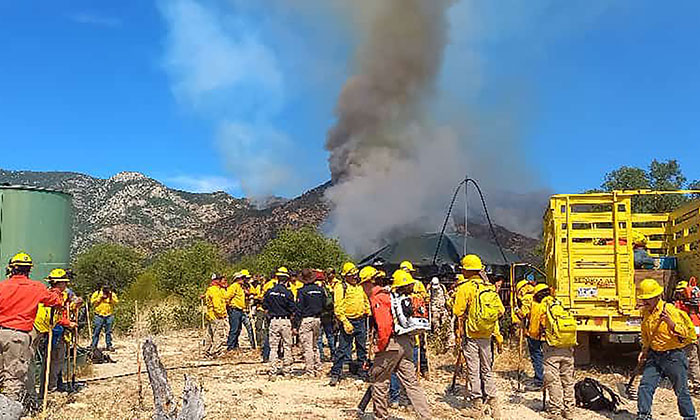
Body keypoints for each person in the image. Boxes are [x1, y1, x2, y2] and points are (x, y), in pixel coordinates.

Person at [363, 267, 431, 420]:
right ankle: (425, 416)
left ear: (369, 283)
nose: (362, 288)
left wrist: (379, 347)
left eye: (363, 284)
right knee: (411, 383)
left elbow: (384, 326)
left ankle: (381, 416)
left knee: (380, 380)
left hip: (391, 344)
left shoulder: (378, 298)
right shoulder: (392, 295)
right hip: (406, 342)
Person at [0, 252, 63, 402]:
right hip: (18, 336)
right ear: (29, 270)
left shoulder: (2, 286)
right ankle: (9, 412)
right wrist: (55, 290)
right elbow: (56, 301)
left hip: (1, 331)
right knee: (14, 378)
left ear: (11, 269)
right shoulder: (36, 287)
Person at [453, 254, 505, 419]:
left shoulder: (466, 287)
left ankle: (477, 405)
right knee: (487, 369)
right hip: (487, 333)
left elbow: (457, 311)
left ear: (467, 270)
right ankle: (493, 402)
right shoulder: (488, 287)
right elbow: (501, 311)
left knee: (473, 369)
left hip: (472, 333)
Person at [636, 278, 697, 420]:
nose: (645, 302)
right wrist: (644, 351)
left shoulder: (669, 310)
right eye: (644, 299)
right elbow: (646, 334)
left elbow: (685, 333)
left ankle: (690, 417)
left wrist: (670, 323)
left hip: (673, 357)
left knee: (681, 391)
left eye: (648, 299)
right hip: (654, 355)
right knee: (645, 386)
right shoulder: (645, 313)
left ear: (657, 297)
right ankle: (643, 415)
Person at [32, 269, 79, 395]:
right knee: (51, 360)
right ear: (60, 283)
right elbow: (51, 316)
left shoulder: (63, 295)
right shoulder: (50, 296)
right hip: (45, 329)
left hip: (51, 328)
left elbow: (63, 310)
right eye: (64, 282)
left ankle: (50, 388)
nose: (66, 285)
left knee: (53, 360)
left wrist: (74, 306)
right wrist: (68, 323)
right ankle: (47, 389)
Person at [535, 284, 576, 420]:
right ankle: (569, 410)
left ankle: (555, 411)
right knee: (568, 380)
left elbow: (535, 330)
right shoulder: (560, 304)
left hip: (552, 348)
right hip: (568, 346)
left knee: (553, 380)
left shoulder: (542, 307)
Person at [329, 262, 370, 386]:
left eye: (355, 275)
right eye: (352, 275)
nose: (354, 277)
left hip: (361, 320)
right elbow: (338, 307)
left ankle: (362, 372)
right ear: (345, 276)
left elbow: (365, 300)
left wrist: (367, 310)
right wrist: (345, 322)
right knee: (343, 348)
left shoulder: (359, 287)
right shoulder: (341, 287)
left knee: (362, 348)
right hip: (348, 321)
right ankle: (336, 373)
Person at [262, 267, 296, 376]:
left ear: (277, 278)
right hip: (285, 321)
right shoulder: (288, 293)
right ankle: (287, 371)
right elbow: (292, 309)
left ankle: (273, 371)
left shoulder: (269, 292)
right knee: (287, 346)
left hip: (273, 321)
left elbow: (264, 306)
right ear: (287, 279)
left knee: (273, 347)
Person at [296, 268, 326, 375]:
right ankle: (318, 367)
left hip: (306, 319)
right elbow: (324, 304)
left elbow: (299, 308)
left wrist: (296, 324)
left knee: (307, 346)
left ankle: (309, 370)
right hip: (317, 319)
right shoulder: (320, 290)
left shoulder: (302, 291)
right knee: (315, 344)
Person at [673, 280, 700, 392]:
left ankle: (697, 383)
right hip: (697, 333)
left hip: (690, 336)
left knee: (692, 360)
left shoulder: (680, 306)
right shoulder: (696, 304)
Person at [525, 283, 548, 391]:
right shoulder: (552, 302)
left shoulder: (533, 303)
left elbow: (523, 314)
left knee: (537, 357)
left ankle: (539, 381)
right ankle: (550, 381)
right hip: (549, 336)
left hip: (534, 335)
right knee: (549, 359)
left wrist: (516, 310)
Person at [203, 274, 229, 358]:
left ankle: (207, 350)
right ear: (216, 281)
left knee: (210, 334)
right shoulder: (215, 291)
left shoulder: (211, 289)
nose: (223, 281)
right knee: (218, 334)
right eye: (220, 280)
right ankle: (216, 352)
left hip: (211, 315)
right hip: (216, 316)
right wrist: (221, 314)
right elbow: (216, 304)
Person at [90, 284, 119, 351]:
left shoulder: (111, 294)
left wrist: (110, 297)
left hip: (109, 315)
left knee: (108, 331)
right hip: (99, 315)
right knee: (96, 331)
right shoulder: (97, 293)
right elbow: (92, 302)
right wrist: (100, 298)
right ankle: (94, 346)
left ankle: (109, 345)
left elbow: (116, 302)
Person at [317, 269, 337, 362]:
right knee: (330, 335)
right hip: (327, 315)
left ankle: (321, 355)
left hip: (318, 315)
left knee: (319, 337)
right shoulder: (326, 288)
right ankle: (333, 354)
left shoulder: (314, 287)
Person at [226, 272, 247, 351]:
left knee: (238, 329)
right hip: (234, 310)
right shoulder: (234, 286)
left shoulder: (240, 287)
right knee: (234, 329)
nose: (243, 280)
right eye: (241, 278)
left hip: (239, 310)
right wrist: (230, 306)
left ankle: (235, 345)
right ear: (237, 279)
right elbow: (227, 297)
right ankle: (230, 346)